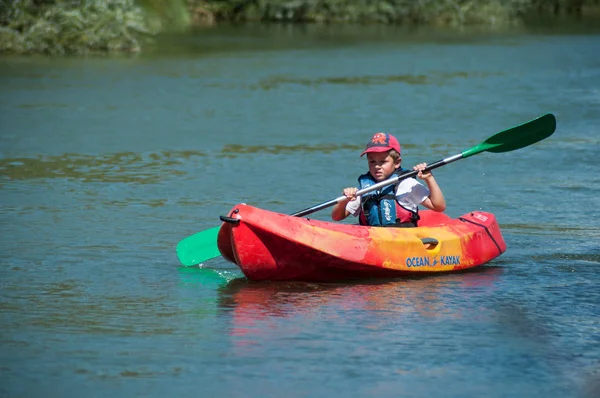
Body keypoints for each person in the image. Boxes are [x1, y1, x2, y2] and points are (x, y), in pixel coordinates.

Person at [331, 132, 446, 227]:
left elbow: (438, 206)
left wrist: (429, 178)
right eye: (372, 162)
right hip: (373, 238)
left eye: (383, 161)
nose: (377, 166)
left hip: (401, 238)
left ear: (397, 163)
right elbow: (337, 217)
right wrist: (345, 200)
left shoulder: (406, 183)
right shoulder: (366, 187)